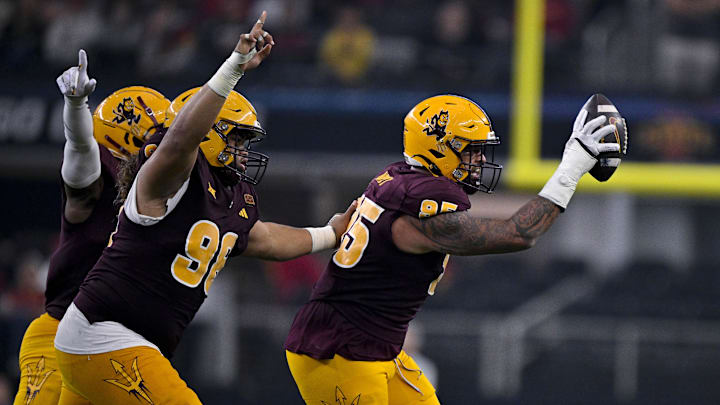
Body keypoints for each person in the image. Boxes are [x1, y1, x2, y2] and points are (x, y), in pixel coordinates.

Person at [53, 12, 355, 405]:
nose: (244, 153)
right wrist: (234, 68)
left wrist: (329, 233)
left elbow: (263, 238)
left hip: (125, 342)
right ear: (207, 131)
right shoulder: (169, 175)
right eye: (237, 139)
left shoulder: (229, 196)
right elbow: (181, 139)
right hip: (105, 333)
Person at [284, 94, 619, 404]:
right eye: (471, 149)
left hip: (374, 345)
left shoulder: (400, 179)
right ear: (439, 148)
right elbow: (520, 234)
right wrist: (573, 165)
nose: (480, 160)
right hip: (339, 351)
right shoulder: (420, 208)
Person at [12, 49, 170, 405]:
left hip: (115, 344)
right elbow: (81, 152)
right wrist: (76, 108)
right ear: (130, 141)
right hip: (58, 333)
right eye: (160, 135)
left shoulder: (168, 193)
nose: (169, 144)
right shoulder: (98, 181)